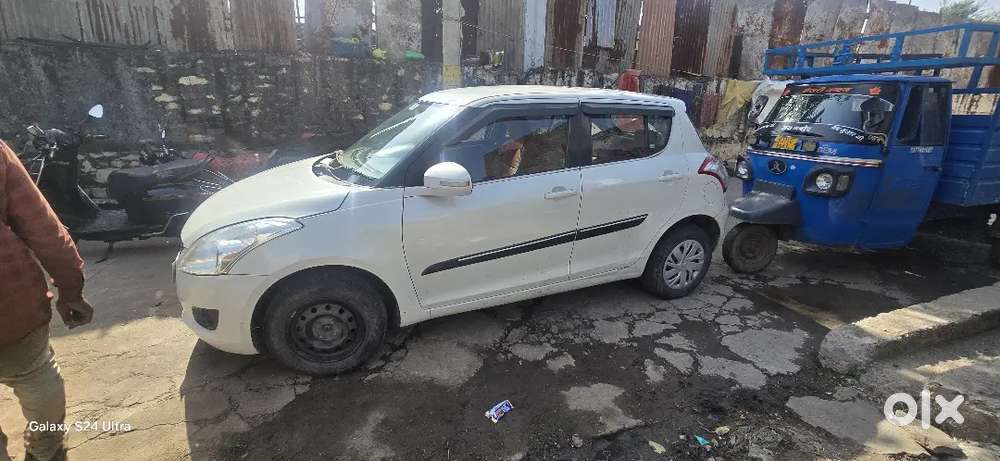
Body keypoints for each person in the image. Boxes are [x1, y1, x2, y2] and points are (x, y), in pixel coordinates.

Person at [0, 139, 93, 461]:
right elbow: (41, 226)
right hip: (10, 302)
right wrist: (71, 289)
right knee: (35, 375)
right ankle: (44, 451)